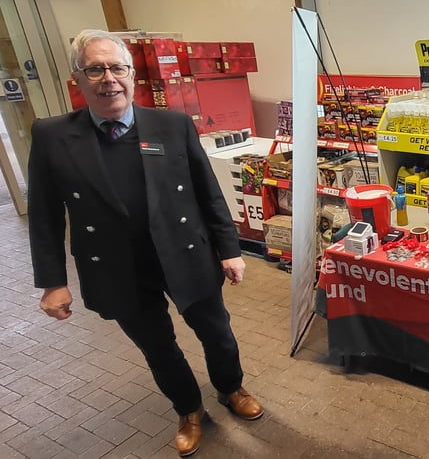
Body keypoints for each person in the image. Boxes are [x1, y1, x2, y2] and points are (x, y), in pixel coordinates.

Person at [27, 29, 264, 457]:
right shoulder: (51, 135)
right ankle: (189, 409)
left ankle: (231, 388)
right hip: (116, 265)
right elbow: (43, 214)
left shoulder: (171, 124)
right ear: (77, 78)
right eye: (95, 69)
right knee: (158, 346)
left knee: (218, 334)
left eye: (117, 68)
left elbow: (207, 190)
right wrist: (52, 281)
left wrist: (230, 249)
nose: (108, 79)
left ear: (132, 75)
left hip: (184, 252)